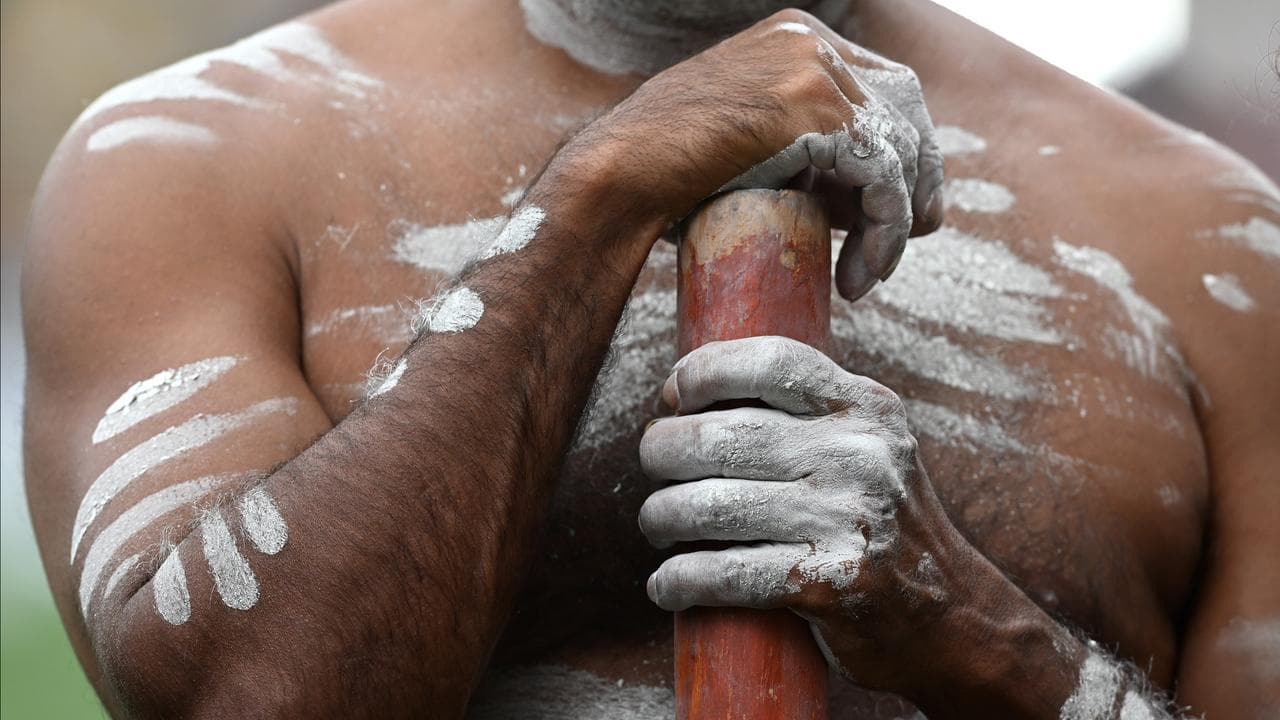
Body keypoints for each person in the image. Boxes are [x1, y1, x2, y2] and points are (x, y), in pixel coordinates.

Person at [22, 0, 1278, 717]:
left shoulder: (1206, 248)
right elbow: (248, 705)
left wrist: (978, 638)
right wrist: (597, 203)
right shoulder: (195, 165)